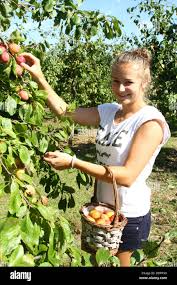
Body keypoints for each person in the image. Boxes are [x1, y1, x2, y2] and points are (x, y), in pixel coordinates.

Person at [20, 48, 171, 267]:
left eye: (128, 82)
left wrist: (74, 162)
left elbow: (127, 176)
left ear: (144, 82)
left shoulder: (150, 122)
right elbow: (65, 112)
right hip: (100, 210)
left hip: (128, 215)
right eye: (115, 81)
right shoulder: (109, 111)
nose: (120, 88)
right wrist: (39, 75)